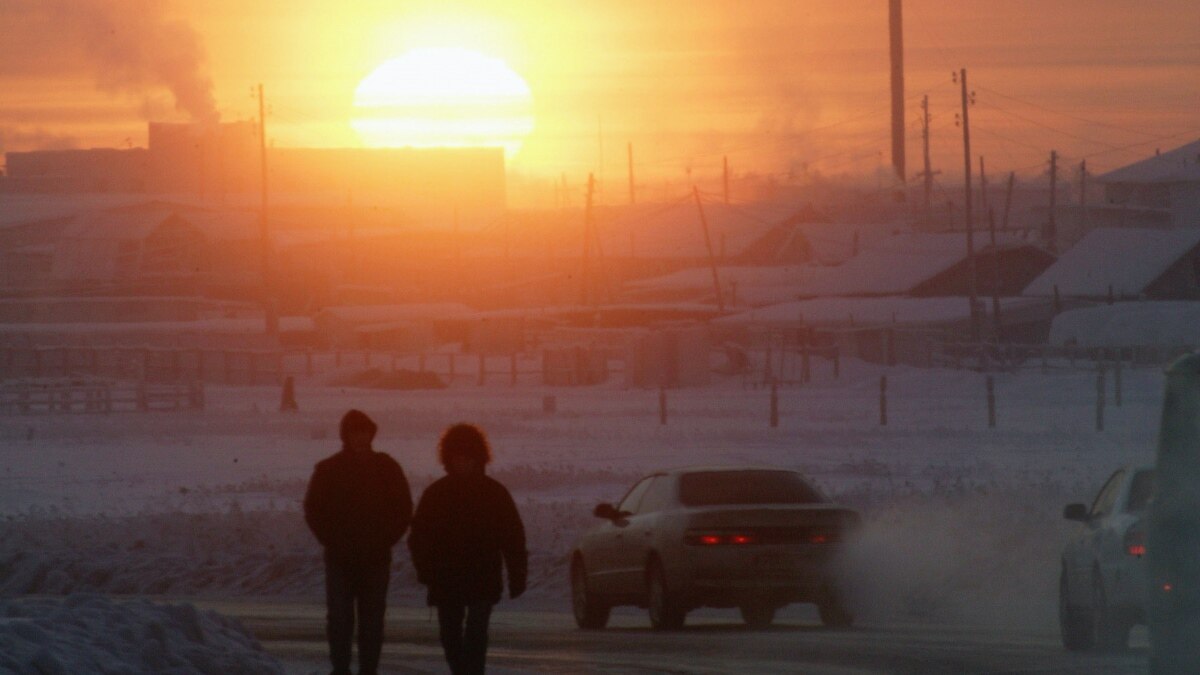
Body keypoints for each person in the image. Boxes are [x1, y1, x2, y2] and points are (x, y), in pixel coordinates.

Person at [408, 423, 527, 675]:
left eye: (467, 458)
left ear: (478, 458)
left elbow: (512, 537)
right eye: (457, 458)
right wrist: (426, 571)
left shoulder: (494, 493)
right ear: (448, 459)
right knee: (450, 636)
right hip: (446, 578)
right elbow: (419, 538)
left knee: (476, 634)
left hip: (481, 576)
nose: (462, 463)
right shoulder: (437, 494)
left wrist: (518, 574)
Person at [304, 409, 412, 675]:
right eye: (355, 433)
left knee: (372, 620)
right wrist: (330, 539)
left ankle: (368, 670)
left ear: (371, 434)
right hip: (341, 558)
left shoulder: (387, 467)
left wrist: (386, 538)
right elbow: (314, 509)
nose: (360, 438)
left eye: (364, 432)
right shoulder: (329, 469)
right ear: (346, 436)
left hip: (375, 557)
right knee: (340, 619)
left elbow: (403, 508)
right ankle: (340, 669)